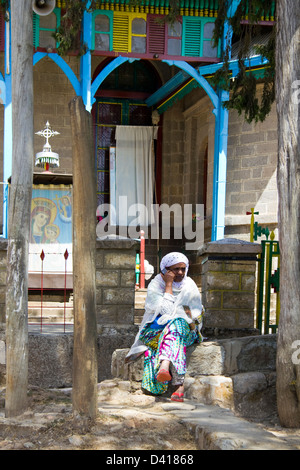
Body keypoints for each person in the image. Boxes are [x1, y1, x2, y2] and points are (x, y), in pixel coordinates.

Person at [126, 252, 204, 402]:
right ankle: (178, 385)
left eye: (183, 268)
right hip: (155, 332)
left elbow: (194, 317)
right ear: (165, 270)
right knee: (174, 327)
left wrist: (183, 318)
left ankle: (165, 365)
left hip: (188, 331)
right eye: (175, 269)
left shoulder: (189, 285)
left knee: (177, 324)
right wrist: (168, 285)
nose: (180, 273)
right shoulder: (156, 285)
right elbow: (166, 311)